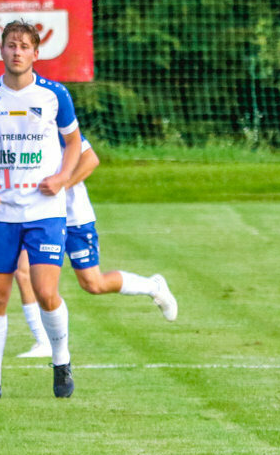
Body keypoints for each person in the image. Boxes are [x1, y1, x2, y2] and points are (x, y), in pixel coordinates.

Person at [0, 19, 82, 399]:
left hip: (45, 210)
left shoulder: (55, 94)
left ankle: (61, 361)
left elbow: (74, 143)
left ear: (36, 53)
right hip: (0, 213)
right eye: (11, 45)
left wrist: (62, 178)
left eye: (24, 46)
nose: (17, 52)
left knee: (45, 292)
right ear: (1, 50)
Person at [14, 134, 177, 358]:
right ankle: (44, 342)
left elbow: (90, 159)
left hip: (74, 218)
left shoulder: (55, 123)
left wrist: (62, 185)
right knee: (23, 272)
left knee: (93, 283)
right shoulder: (17, 129)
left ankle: (152, 286)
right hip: (41, 218)